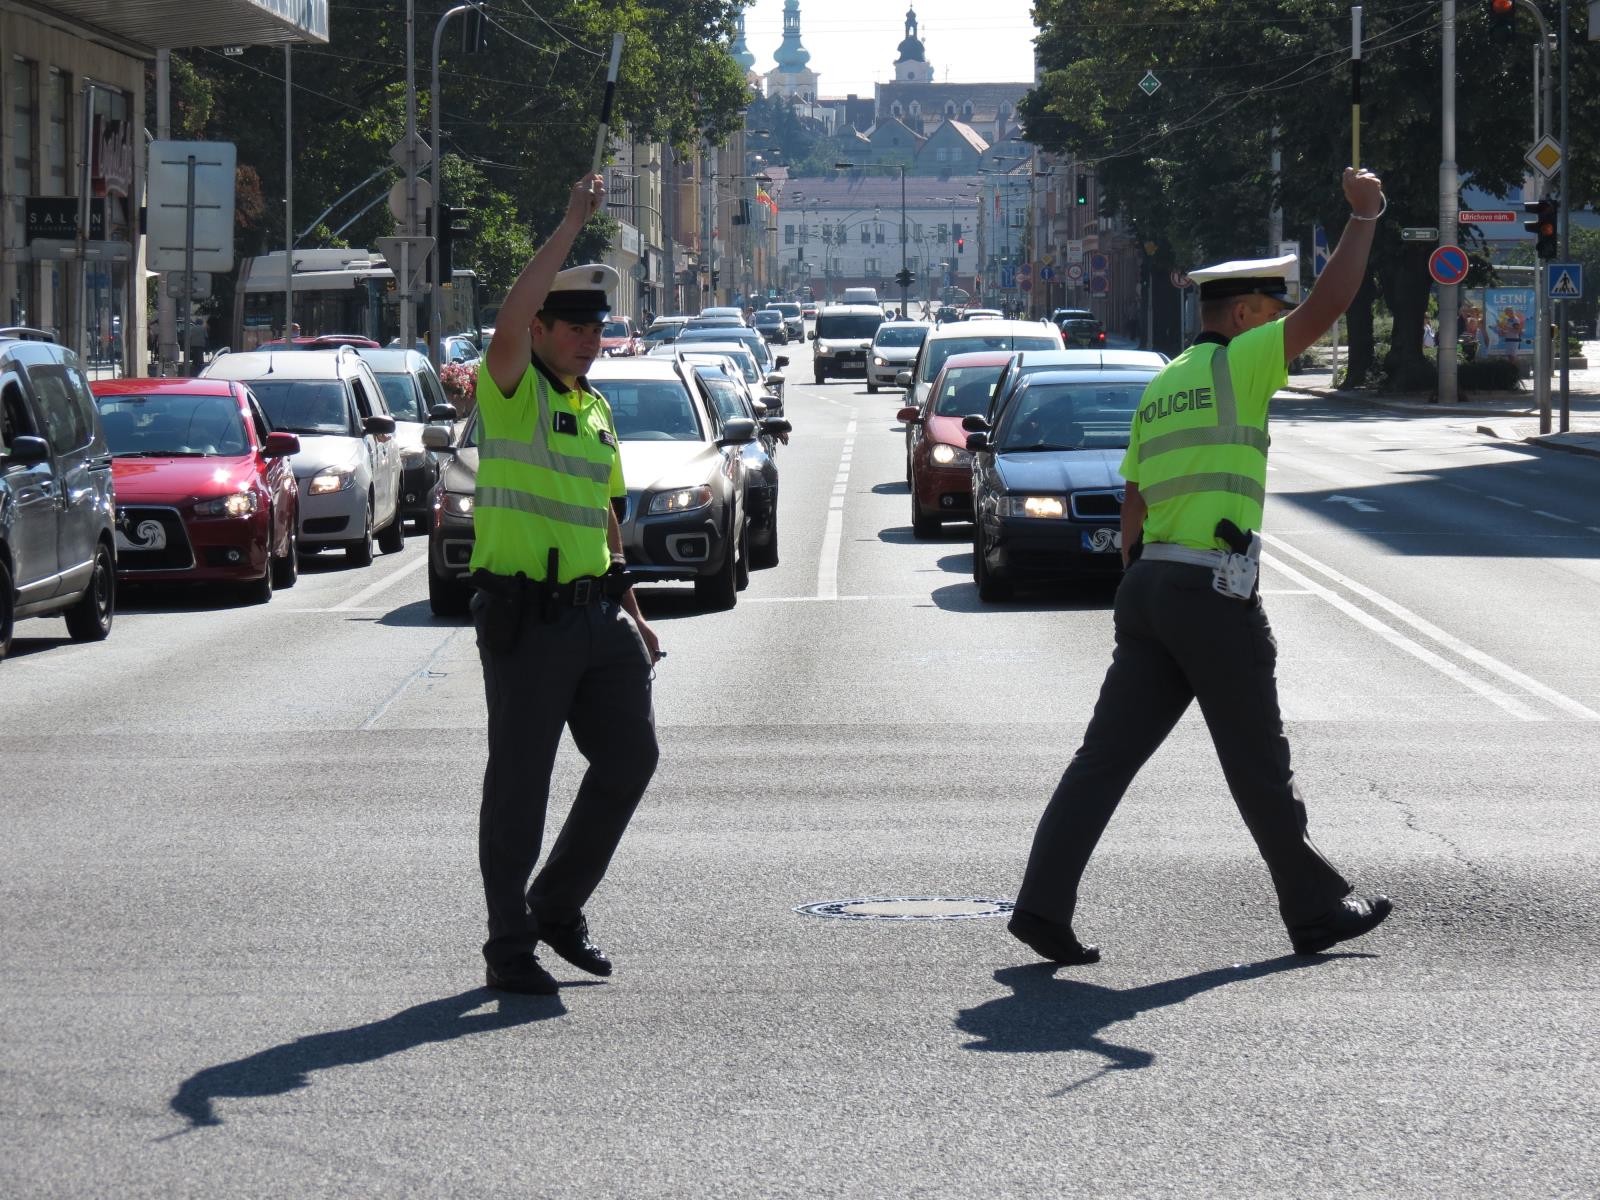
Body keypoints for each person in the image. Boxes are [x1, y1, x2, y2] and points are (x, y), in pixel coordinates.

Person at [1010, 167, 1393, 966]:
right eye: (1274, 313)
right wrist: (1365, 219)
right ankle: (1316, 910)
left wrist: (1141, 586)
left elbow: (1133, 504)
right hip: (1210, 594)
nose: (1286, 325)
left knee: (1102, 762)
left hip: (1148, 588)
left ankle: (1042, 906)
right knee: (1259, 762)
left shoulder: (1164, 385)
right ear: (1249, 314)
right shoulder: (1241, 363)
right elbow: (1331, 304)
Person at [470, 173, 662, 995]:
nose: (588, 339)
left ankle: (556, 904)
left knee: (631, 759)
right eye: (573, 327)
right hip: (527, 617)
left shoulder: (593, 410)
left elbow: (602, 514)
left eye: (597, 328)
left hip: (597, 616)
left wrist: (633, 610)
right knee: (521, 785)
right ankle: (509, 940)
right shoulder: (511, 390)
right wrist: (568, 220)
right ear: (540, 328)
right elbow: (509, 313)